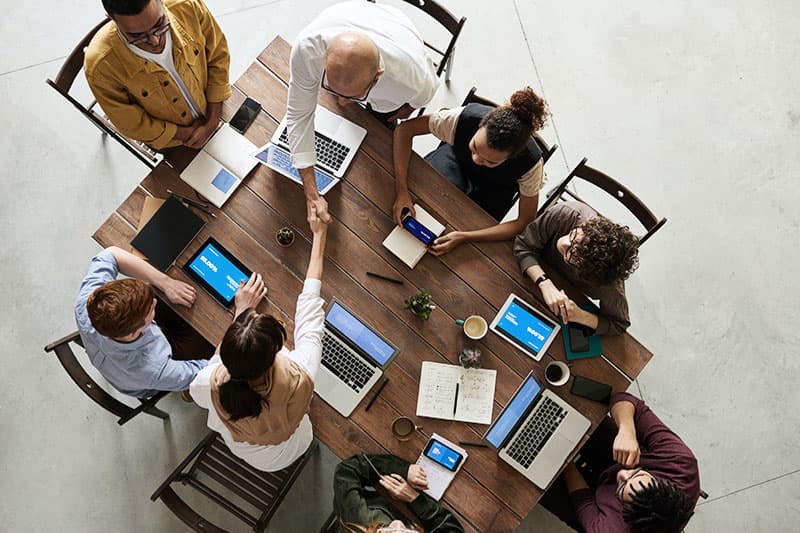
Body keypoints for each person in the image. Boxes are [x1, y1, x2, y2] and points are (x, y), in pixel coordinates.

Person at [190, 208, 328, 471]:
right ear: (275, 354)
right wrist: (320, 235)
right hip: (287, 450)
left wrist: (240, 313)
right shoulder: (300, 374)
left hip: (252, 453)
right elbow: (310, 312)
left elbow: (207, 382)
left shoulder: (208, 382)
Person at [287, 1, 440, 224]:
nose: (340, 102)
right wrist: (311, 193)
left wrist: (404, 109)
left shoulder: (411, 81)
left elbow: (418, 101)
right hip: (352, 13)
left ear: (378, 76)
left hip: (398, 32)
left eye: (351, 96)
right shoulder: (306, 50)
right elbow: (298, 116)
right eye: (332, 88)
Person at [393, 87, 551, 255]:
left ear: (512, 157)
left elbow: (524, 221)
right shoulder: (461, 118)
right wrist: (401, 190)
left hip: (496, 189)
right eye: (475, 147)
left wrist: (464, 237)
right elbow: (404, 130)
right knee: (423, 199)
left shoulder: (530, 165)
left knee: (467, 233)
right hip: (456, 161)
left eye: (490, 161)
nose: (476, 159)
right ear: (480, 125)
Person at [540, 393, 700, 532]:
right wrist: (627, 430)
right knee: (582, 411)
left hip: (595, 506)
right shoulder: (680, 462)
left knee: (540, 483)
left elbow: (582, 499)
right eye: (636, 472)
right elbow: (624, 399)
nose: (622, 473)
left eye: (622, 485)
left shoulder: (611, 529)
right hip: (617, 455)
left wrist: (563, 456)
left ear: (626, 514)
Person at [85, 0, 231, 149]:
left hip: (217, 108)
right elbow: (131, 123)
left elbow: (218, 54)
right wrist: (188, 134)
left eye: (159, 24)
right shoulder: (100, 67)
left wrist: (213, 121)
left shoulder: (187, 5)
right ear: (111, 17)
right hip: (176, 143)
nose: (154, 40)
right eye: (137, 36)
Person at [75, 246, 214, 398]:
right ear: (134, 332)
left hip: (118, 359)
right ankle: (187, 392)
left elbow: (111, 254)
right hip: (150, 377)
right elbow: (210, 374)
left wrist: (166, 283)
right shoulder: (153, 369)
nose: (154, 301)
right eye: (150, 308)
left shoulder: (89, 302)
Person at [513, 201, 640, 335]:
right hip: (525, 275)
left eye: (573, 254)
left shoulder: (609, 285)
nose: (564, 243)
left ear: (588, 272)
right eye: (574, 236)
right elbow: (523, 245)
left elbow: (619, 325)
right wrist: (545, 283)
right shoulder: (567, 213)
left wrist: (580, 315)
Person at [334, 454, 464, 533]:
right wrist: (414, 498)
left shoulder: (357, 520)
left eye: (387, 532)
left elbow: (347, 471)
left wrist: (402, 470)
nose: (398, 524)